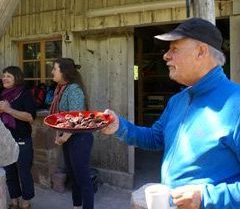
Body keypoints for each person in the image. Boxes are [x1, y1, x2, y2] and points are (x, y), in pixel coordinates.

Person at [101, 18, 240, 209]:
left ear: (201, 51)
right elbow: (156, 138)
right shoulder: (178, 100)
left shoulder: (236, 104)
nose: (166, 56)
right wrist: (120, 127)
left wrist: (206, 198)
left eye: (174, 49)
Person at [50, 58, 94, 209]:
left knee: (83, 178)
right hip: (68, 137)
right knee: (73, 175)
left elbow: (76, 117)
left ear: (64, 72)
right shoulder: (61, 89)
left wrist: (64, 137)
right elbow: (60, 116)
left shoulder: (74, 89)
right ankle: (76, 206)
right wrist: (58, 135)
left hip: (80, 138)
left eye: (54, 69)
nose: (52, 72)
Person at [0, 66, 36, 209]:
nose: (4, 78)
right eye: (3, 75)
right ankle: (14, 202)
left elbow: (30, 117)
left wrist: (8, 109)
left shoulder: (24, 94)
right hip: (5, 141)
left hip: (22, 139)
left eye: (8, 76)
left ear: (17, 78)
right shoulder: (2, 94)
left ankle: (26, 203)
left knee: (24, 173)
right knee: (10, 173)